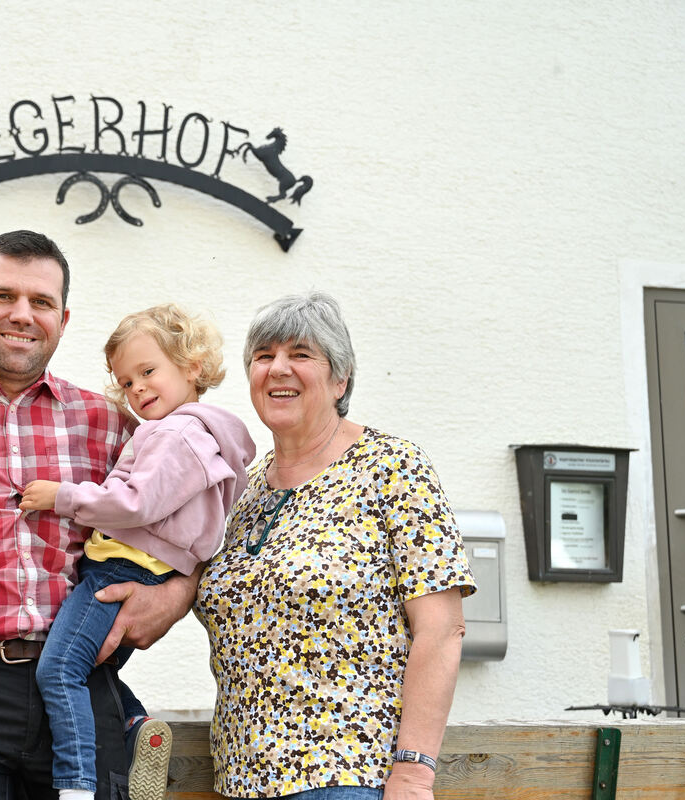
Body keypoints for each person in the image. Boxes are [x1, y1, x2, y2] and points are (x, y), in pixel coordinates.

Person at [0, 230, 198, 800]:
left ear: (63, 319)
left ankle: (126, 717)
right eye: (3, 296)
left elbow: (192, 518)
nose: (22, 314)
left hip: (81, 685)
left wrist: (176, 594)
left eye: (41, 302)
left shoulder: (113, 425)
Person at [193, 292, 476, 800]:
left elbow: (442, 629)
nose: (278, 368)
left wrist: (414, 774)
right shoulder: (245, 489)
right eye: (263, 356)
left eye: (300, 354)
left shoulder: (393, 467)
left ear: (340, 379)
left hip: (346, 778)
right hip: (239, 781)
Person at [19, 303, 256, 800]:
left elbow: (138, 502)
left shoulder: (176, 433)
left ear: (192, 365)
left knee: (58, 671)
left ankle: (75, 786)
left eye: (148, 371)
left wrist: (62, 497)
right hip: (150, 572)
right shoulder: (204, 436)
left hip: (120, 570)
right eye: (126, 382)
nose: (138, 389)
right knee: (92, 668)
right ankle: (134, 726)